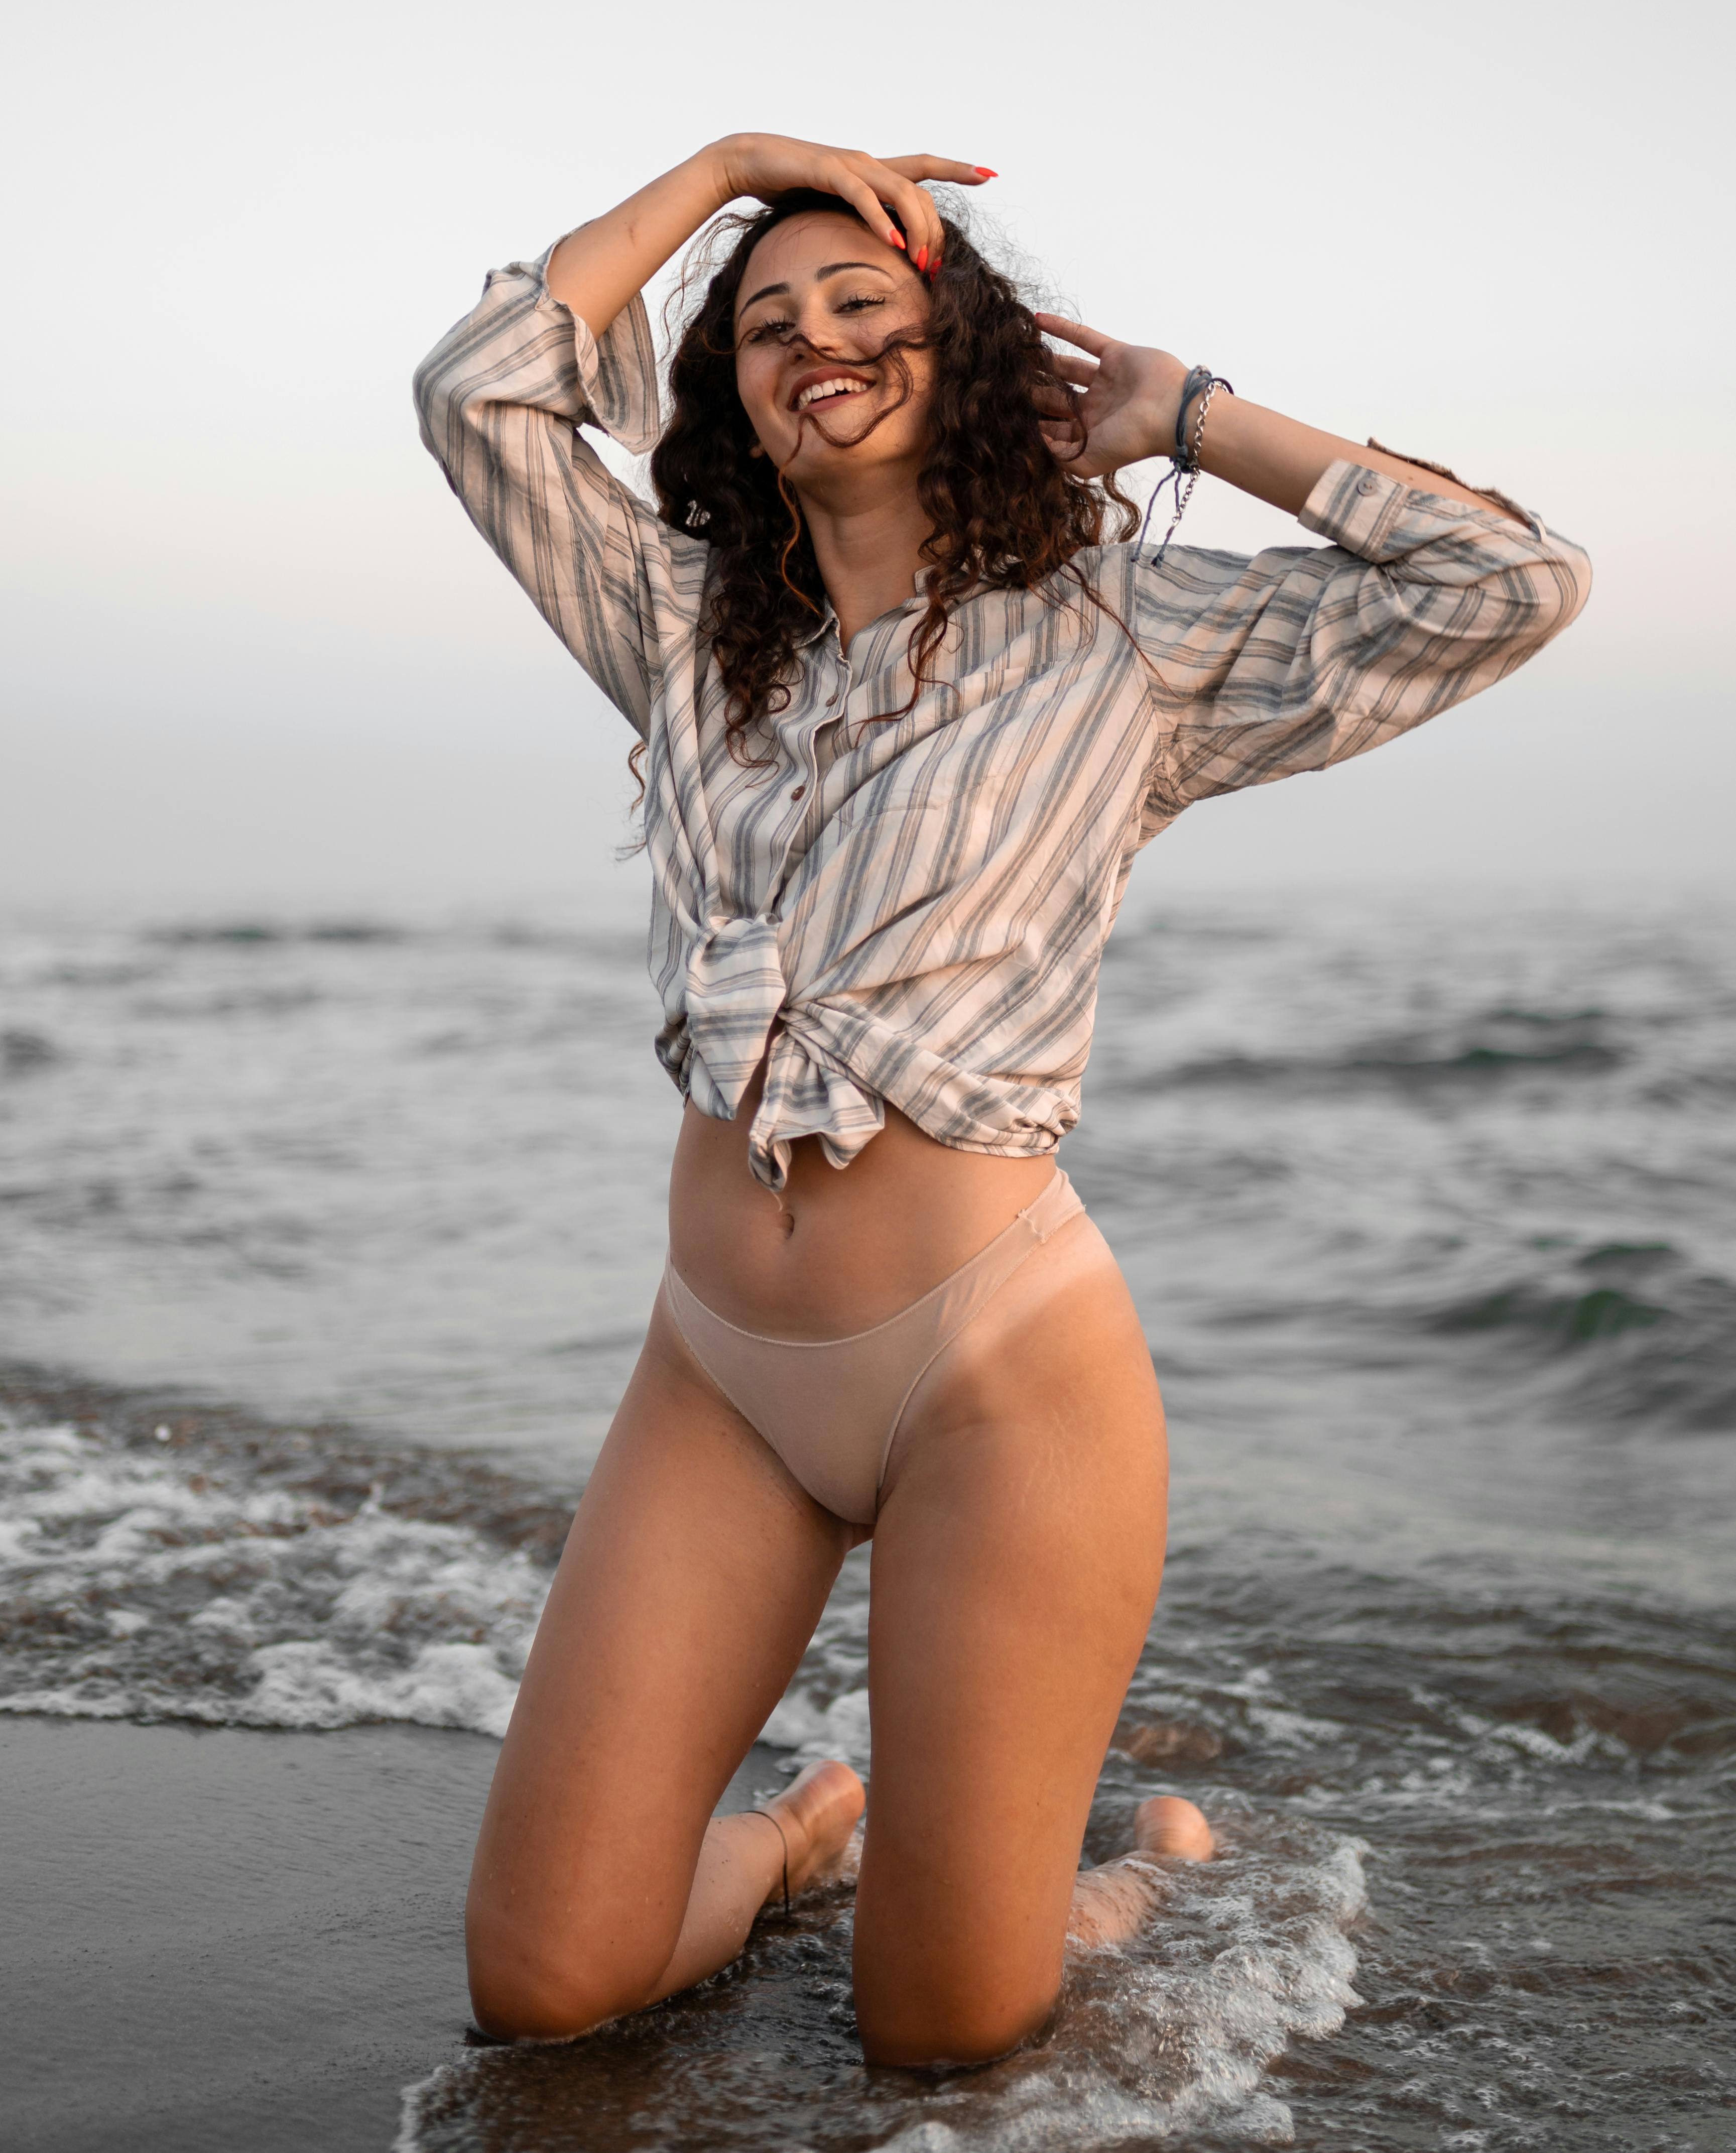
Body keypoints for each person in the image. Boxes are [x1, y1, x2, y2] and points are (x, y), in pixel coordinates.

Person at [413, 136, 1590, 2068]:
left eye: (863, 302)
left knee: (945, 2035)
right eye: (767, 325)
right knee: (547, 1984)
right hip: (716, 1372)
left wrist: (1190, 415)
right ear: (738, 401)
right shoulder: (682, 629)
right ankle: (803, 1838)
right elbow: (477, 393)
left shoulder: (1124, 632)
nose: (815, 342)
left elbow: (1511, 581)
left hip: (997, 1369)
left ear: (960, 353)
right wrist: (731, 161)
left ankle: (1126, 1883)